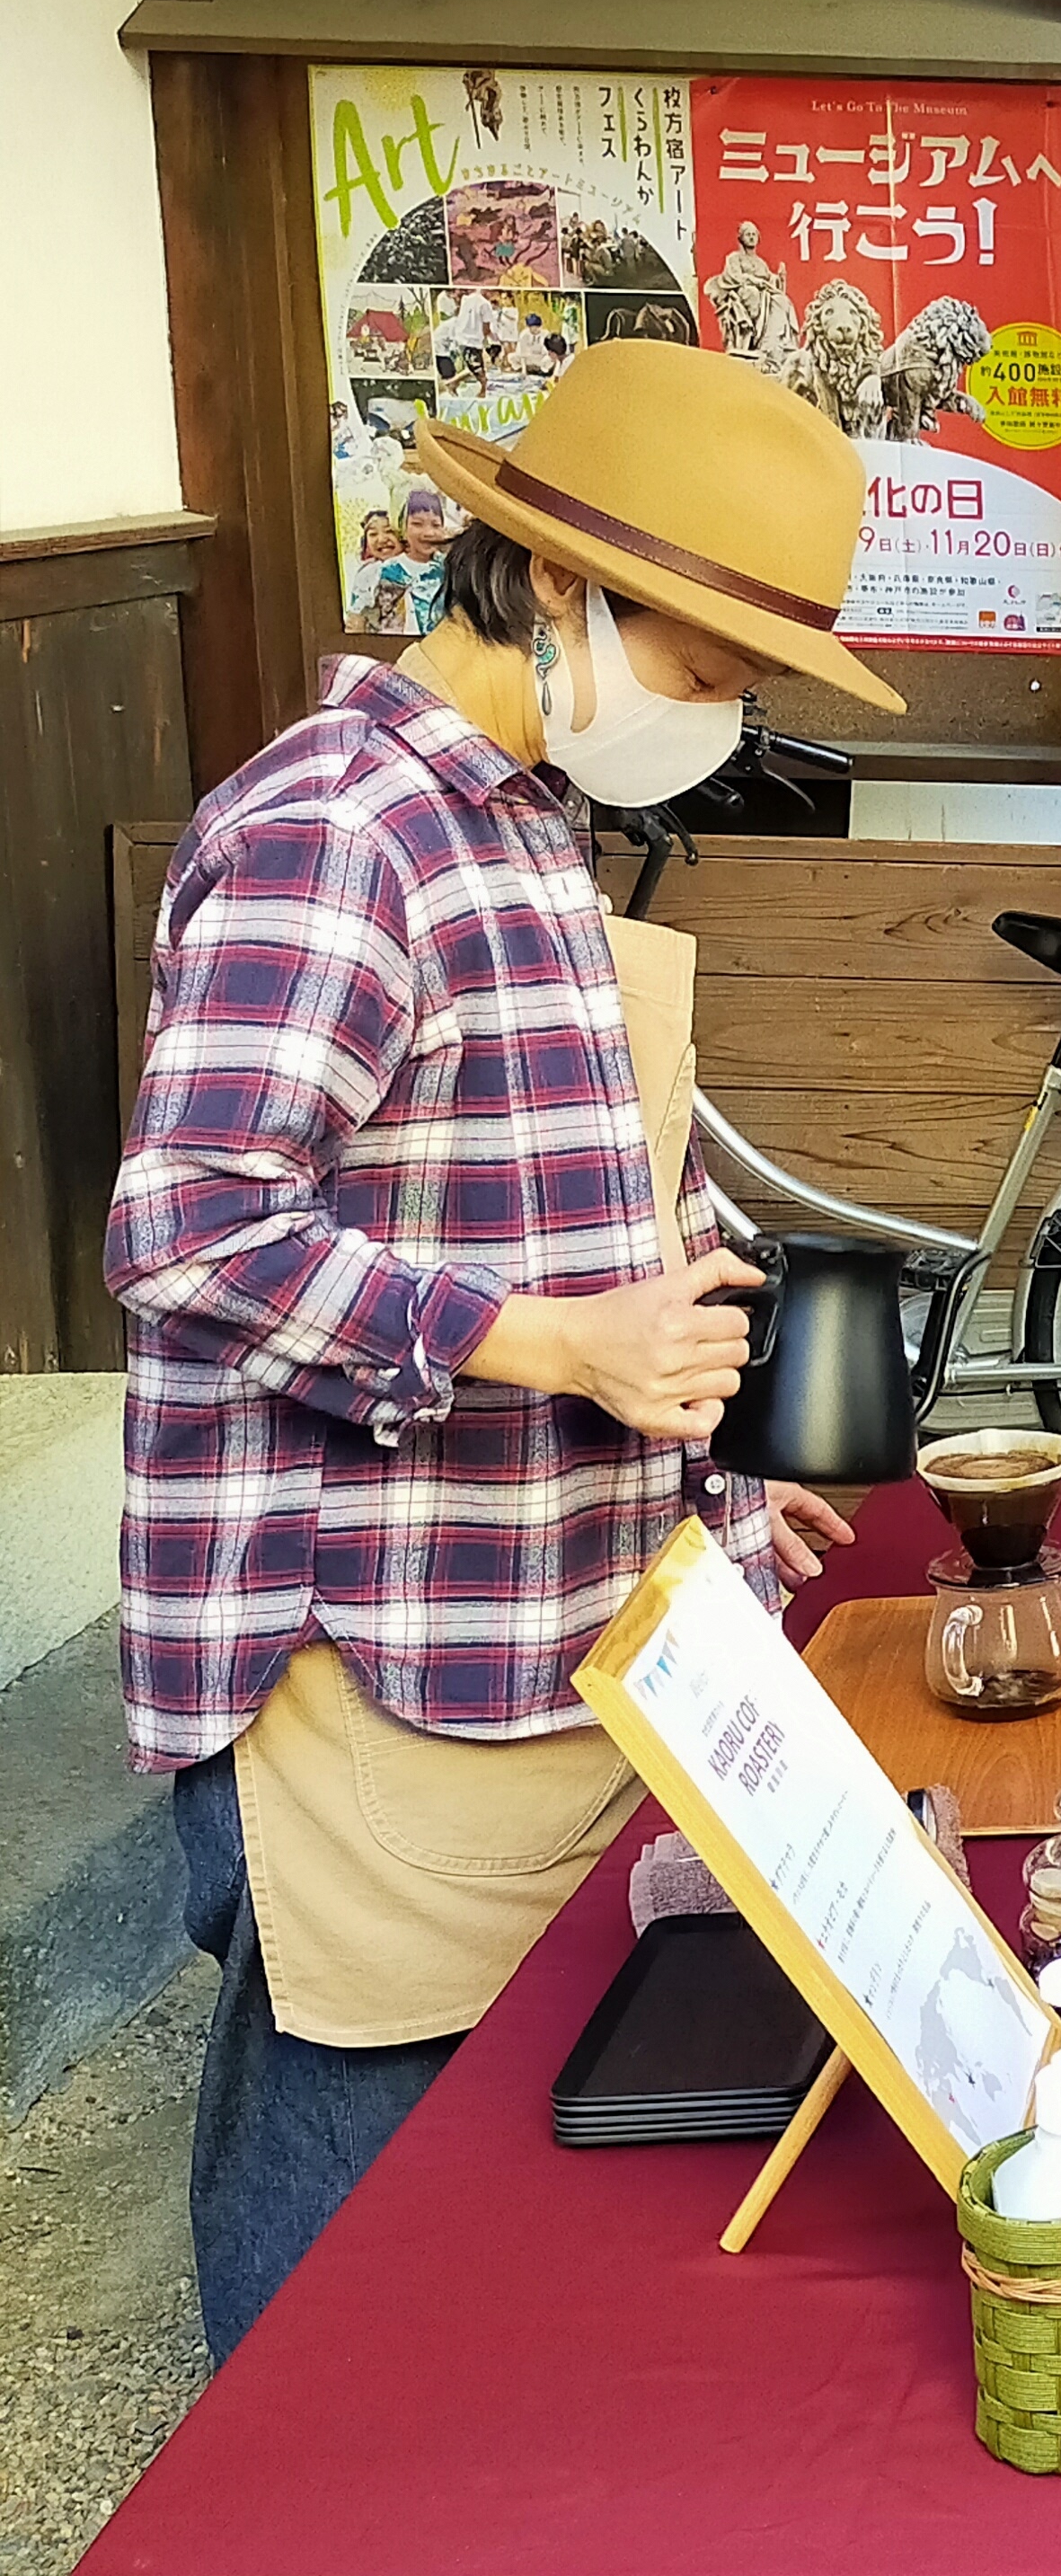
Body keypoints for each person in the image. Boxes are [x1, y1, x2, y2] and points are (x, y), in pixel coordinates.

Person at [109, 340, 905, 2359]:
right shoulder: (338, 824)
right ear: (551, 585)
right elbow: (191, 1230)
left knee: (480, 2205)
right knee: (336, 2219)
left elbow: (632, 1199)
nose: (721, 722)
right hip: (359, 1658)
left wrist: (716, 1450)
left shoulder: (525, 819)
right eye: (710, 664)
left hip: (535, 1628)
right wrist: (566, 1350)